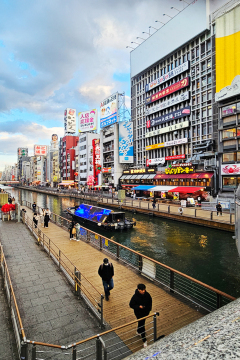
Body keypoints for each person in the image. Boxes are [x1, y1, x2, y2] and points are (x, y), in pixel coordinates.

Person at [129, 284, 152, 348]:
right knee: (142, 325)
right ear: (138, 289)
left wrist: (149, 310)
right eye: (142, 290)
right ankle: (144, 340)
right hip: (139, 313)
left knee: (141, 323)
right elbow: (131, 305)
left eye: (144, 289)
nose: (144, 291)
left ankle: (138, 331)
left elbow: (150, 302)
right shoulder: (135, 297)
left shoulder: (147, 295)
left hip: (145, 312)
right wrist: (138, 306)